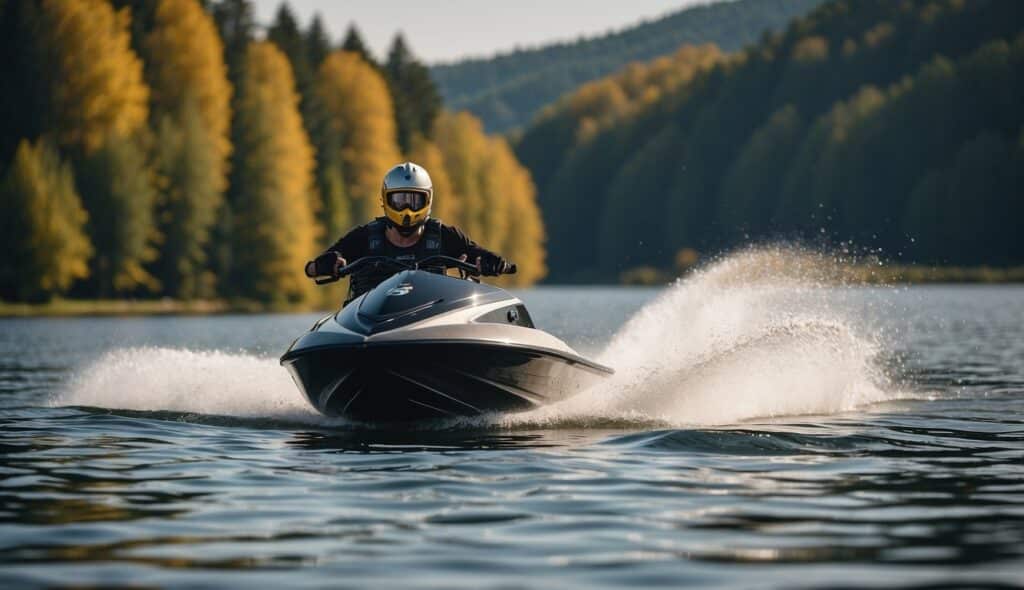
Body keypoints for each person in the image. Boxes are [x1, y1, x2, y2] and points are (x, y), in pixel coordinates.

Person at [305, 162, 513, 303]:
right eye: (399, 200)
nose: (406, 210)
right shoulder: (364, 237)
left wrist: (492, 262)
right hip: (369, 326)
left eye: (414, 201)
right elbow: (314, 267)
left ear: (428, 200)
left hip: (430, 321)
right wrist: (323, 265)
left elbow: (475, 252)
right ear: (385, 200)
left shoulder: (444, 235)